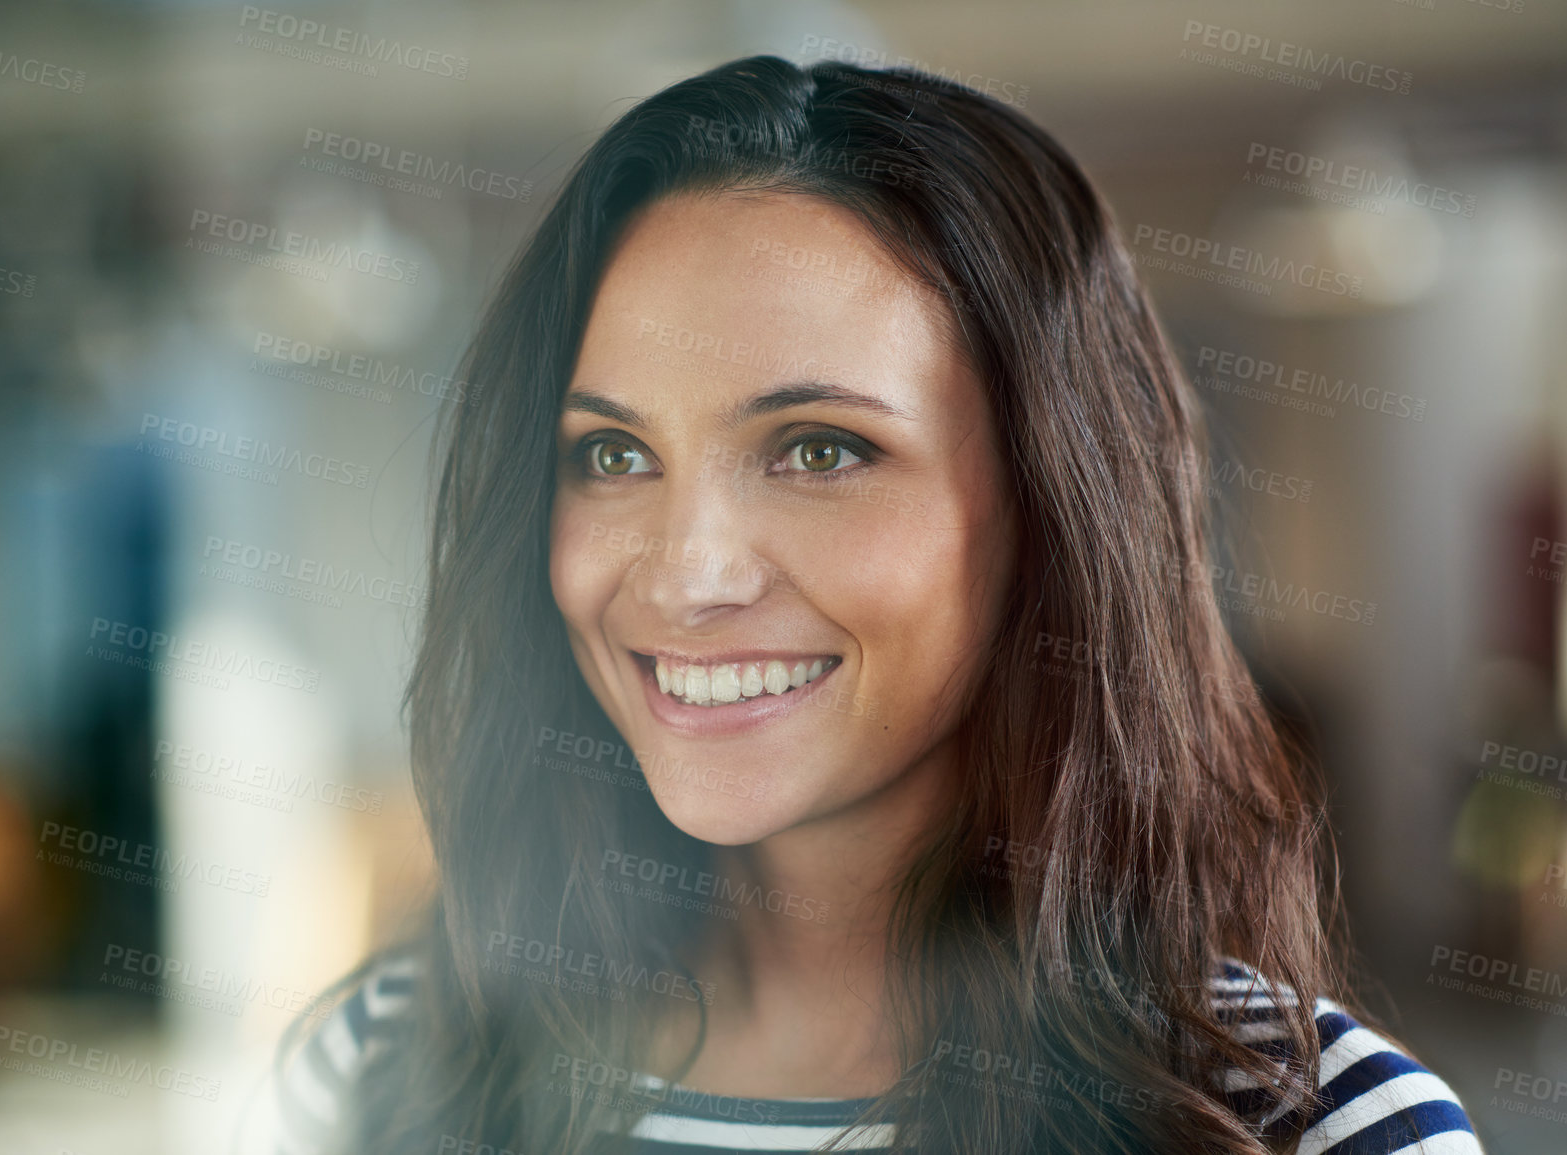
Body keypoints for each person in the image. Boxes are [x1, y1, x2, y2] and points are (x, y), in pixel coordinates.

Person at [251, 55, 1483, 1155]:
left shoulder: (1317, 1129)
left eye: (820, 451)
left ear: (1051, 514)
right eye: (615, 456)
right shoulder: (387, 1067)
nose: (687, 575)